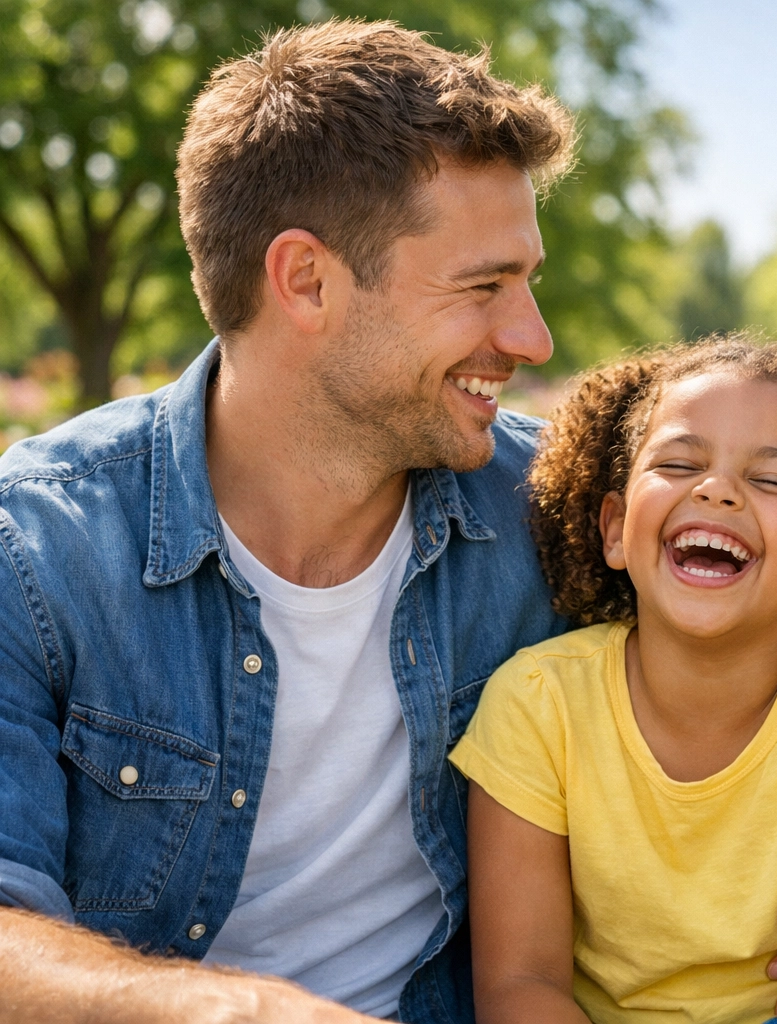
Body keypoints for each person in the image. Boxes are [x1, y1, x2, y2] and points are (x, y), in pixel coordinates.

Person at [0, 20, 572, 1023]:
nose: (532, 336)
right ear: (305, 280)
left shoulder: (555, 515)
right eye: (484, 286)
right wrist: (256, 1015)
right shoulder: (40, 548)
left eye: (528, 281)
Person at [447, 337, 777, 1024]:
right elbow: (522, 987)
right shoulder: (537, 702)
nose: (717, 489)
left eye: (773, 480)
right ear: (615, 528)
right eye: (678, 463)